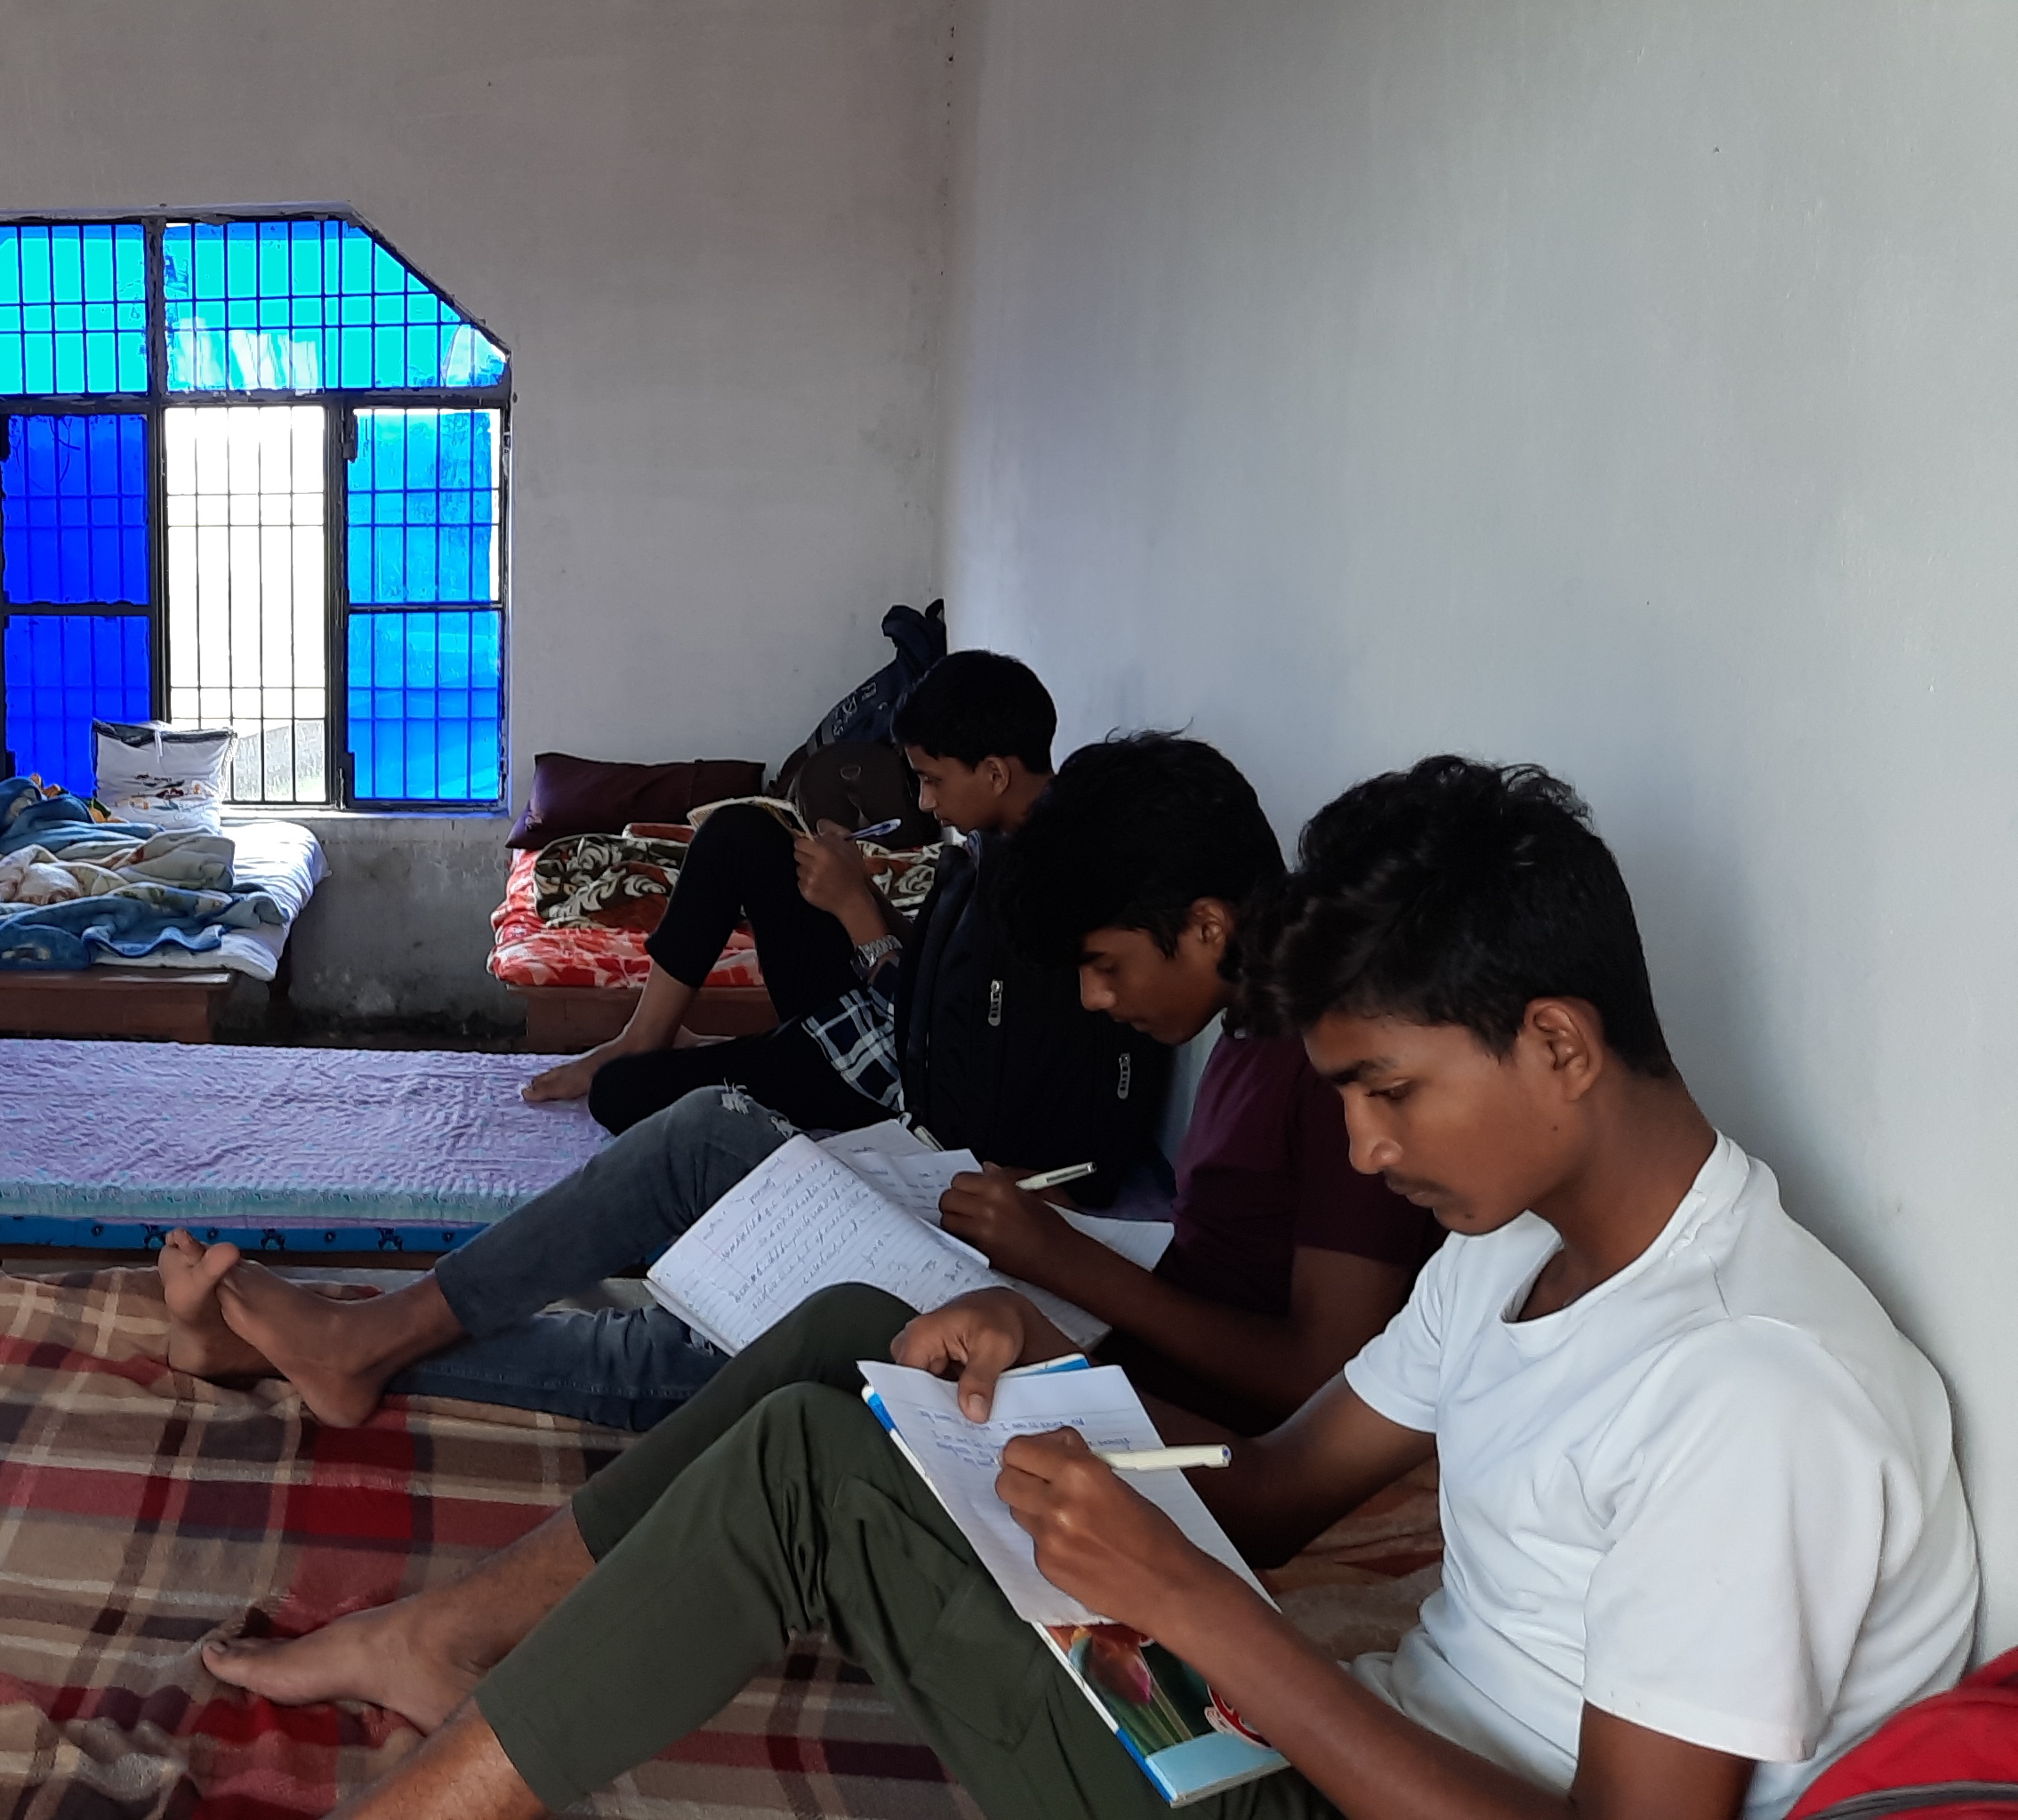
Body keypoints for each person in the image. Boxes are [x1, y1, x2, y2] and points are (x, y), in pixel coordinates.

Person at [212, 757, 1976, 1820]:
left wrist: (1193, 1621)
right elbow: (1276, 1494)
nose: (1356, 1154)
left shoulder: (1752, 1390)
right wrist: (1051, 1371)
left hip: (1316, 1779)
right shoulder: (1520, 1252)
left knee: (810, 1471)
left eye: (1385, 1092)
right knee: (859, 1347)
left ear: (1557, 1043)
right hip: (1306, 1732)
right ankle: (450, 1637)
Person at [165, 734, 1441, 1437]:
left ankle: (346, 1337)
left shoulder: (1344, 1079)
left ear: (1208, 924)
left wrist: (1065, 1258)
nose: (1100, 1004)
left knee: (711, 1259)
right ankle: (323, 1339)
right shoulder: (1270, 1032)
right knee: (711, 1294)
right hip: (1088, 1313)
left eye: (1106, 968)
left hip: (1116, 1377)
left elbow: (1314, 1388)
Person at [530, 653, 1170, 1187]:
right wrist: (857, 886)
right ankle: (651, 1031)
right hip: (872, 1021)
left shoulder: (1048, 885)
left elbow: (947, 1063)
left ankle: (718, 1055)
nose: (924, 802)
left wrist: (857, 911)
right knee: (740, 833)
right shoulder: (997, 841)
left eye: (931, 780)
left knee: (620, 1094)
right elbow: (946, 975)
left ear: (996, 773)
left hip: (877, 1077)